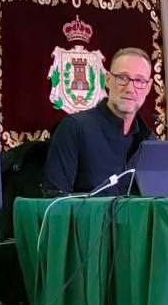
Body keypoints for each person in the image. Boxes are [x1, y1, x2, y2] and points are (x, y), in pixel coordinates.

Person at [42, 47, 153, 196]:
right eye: (122, 78)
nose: (130, 89)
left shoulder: (150, 142)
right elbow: (54, 199)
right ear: (107, 79)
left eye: (139, 81)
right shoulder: (74, 128)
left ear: (148, 87)